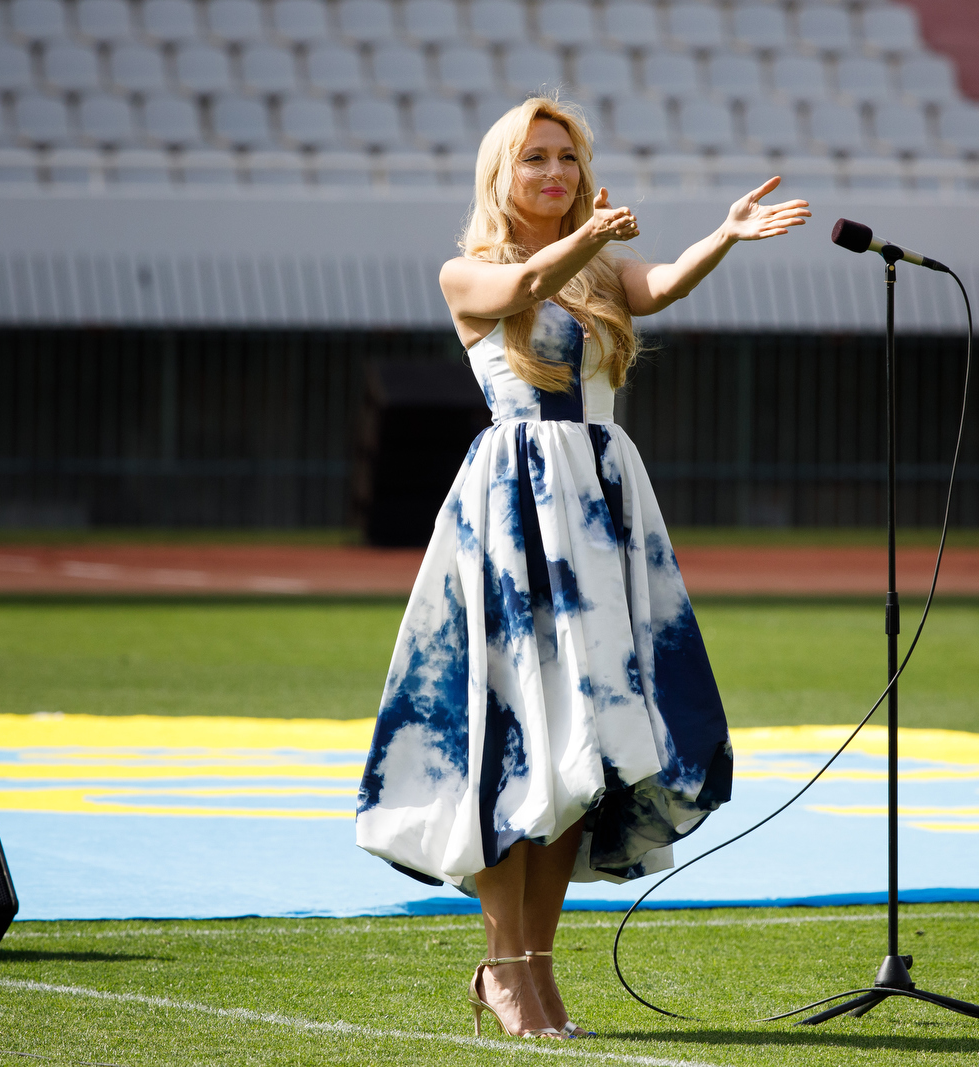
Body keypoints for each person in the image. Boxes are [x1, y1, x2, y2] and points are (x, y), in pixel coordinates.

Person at [354, 94, 811, 1039]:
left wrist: (722, 235)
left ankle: (534, 970)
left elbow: (665, 283)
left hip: (602, 511)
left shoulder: (599, 266)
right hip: (517, 506)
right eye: (534, 159)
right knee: (512, 736)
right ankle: (504, 968)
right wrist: (585, 239)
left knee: (583, 751)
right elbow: (518, 294)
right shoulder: (467, 272)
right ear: (500, 176)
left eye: (566, 156)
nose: (554, 173)